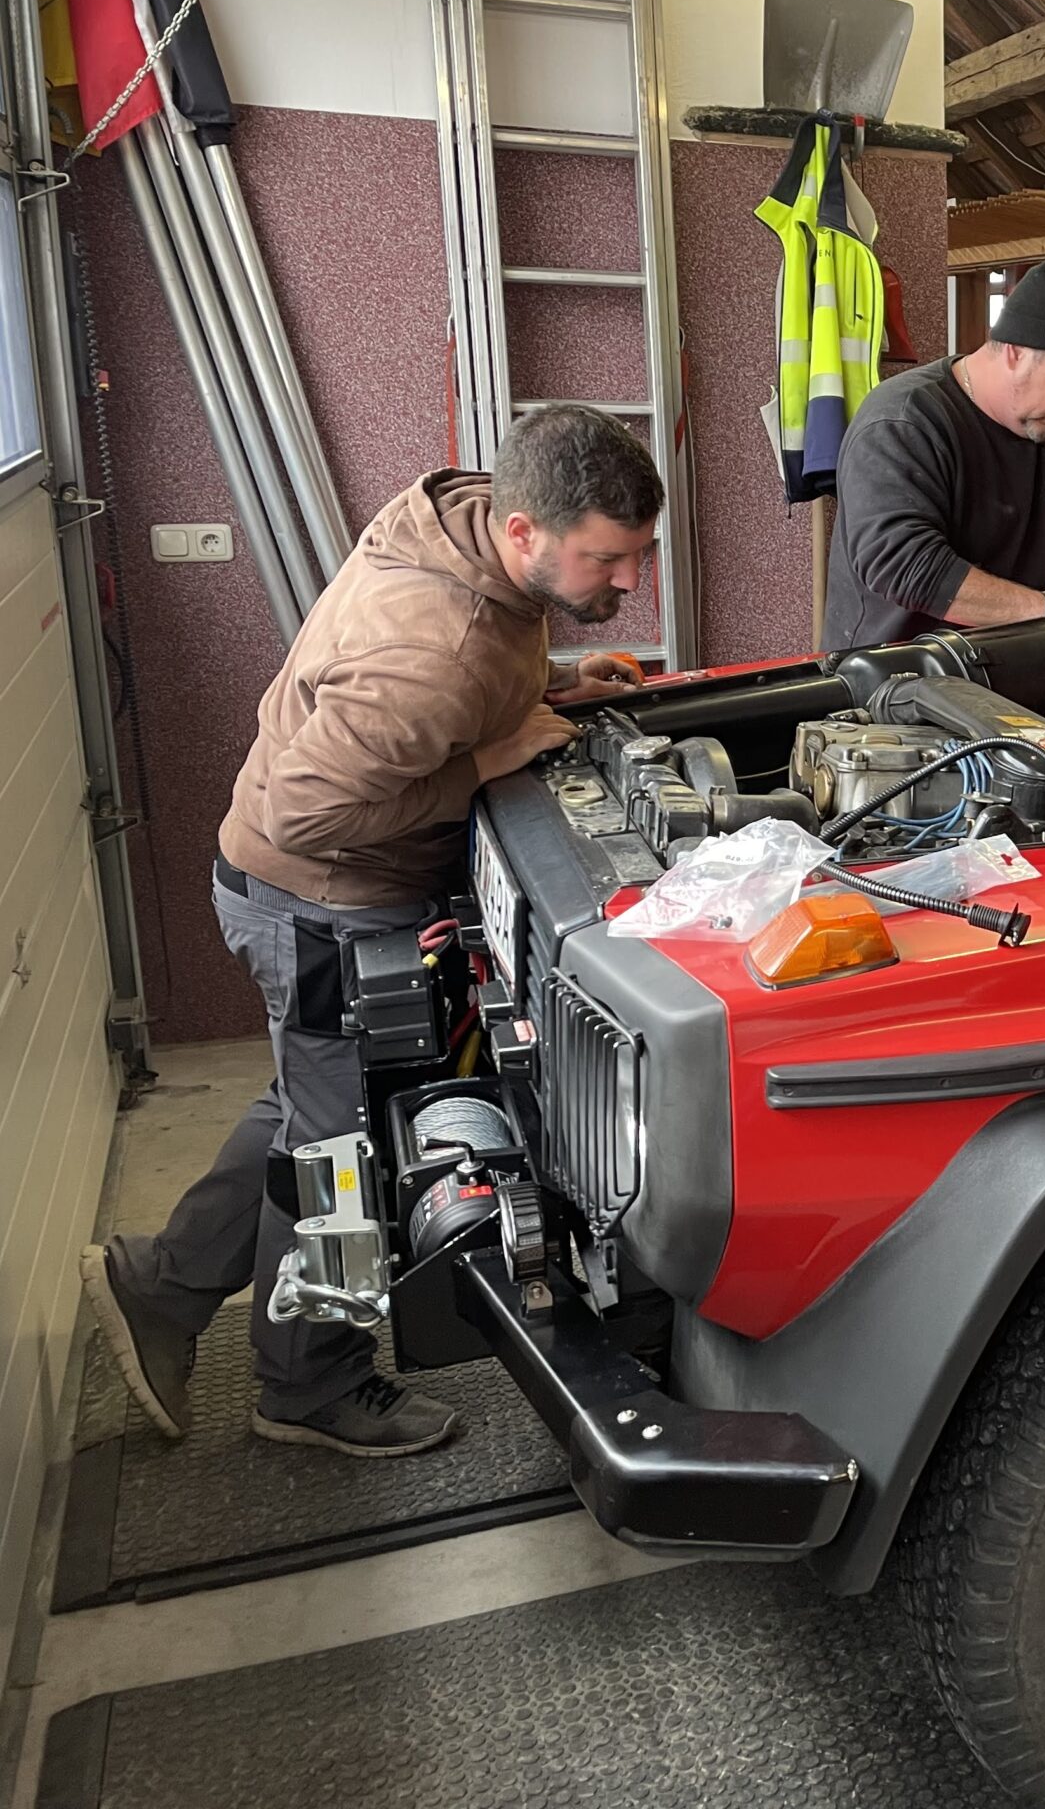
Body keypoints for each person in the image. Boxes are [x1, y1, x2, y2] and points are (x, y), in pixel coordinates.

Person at [79, 404, 664, 1459]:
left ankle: (156, 1284)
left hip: (317, 892)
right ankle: (310, 1385)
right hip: (318, 903)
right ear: (525, 530)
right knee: (339, 1153)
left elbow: (476, 671)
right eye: (608, 560)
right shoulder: (427, 645)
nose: (628, 582)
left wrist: (557, 683)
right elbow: (314, 809)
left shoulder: (472, 532)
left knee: (307, 1110)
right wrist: (480, 762)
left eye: (638, 555)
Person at [823, 258, 1045, 649]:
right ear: (1015, 352)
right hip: (903, 683)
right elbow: (906, 567)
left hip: (1023, 671)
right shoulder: (904, 422)